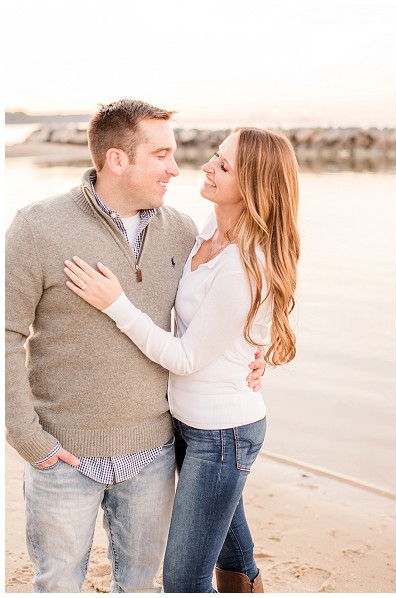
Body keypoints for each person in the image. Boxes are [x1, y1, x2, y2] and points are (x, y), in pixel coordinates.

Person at [5, 99, 264, 592]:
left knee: (141, 584)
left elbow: (233, 303)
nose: (176, 167)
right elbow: (7, 335)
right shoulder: (38, 227)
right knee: (57, 584)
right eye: (161, 154)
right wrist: (27, 437)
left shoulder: (184, 230)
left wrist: (258, 353)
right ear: (117, 160)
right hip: (64, 455)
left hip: (154, 451)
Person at [64, 126, 300, 592]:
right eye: (216, 155)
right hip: (188, 423)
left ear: (251, 186)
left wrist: (115, 304)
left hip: (223, 434)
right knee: (231, 551)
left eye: (224, 166)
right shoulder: (207, 228)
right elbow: (246, 321)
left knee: (183, 580)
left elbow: (187, 356)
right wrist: (256, 348)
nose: (207, 166)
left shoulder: (244, 265)